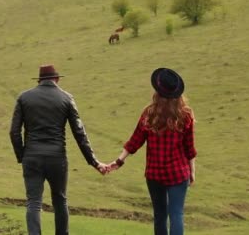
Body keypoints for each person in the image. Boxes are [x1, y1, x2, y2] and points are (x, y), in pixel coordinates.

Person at [10, 64, 107, 235]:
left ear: (39, 80)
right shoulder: (66, 98)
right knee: (60, 200)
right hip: (57, 158)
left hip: (32, 157)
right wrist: (93, 161)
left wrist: (22, 156)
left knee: (33, 202)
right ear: (57, 79)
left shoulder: (24, 98)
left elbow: (14, 132)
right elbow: (79, 133)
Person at [107, 68, 197, 235]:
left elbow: (135, 141)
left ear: (157, 91)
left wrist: (118, 161)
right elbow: (189, 147)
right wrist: (192, 170)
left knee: (160, 215)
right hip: (178, 173)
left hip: (155, 175)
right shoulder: (185, 115)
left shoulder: (149, 113)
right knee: (176, 214)